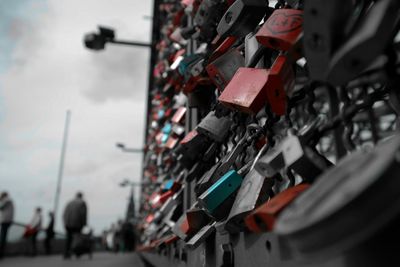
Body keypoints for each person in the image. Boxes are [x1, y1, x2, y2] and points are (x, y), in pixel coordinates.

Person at [63, 192, 87, 259]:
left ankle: (66, 253)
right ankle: (77, 252)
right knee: (77, 238)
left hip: (68, 223)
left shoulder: (69, 202)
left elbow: (64, 213)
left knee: (68, 239)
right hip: (77, 223)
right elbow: (83, 214)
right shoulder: (82, 203)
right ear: (81, 196)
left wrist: (65, 223)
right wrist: (84, 223)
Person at [0, 192, 14, 259]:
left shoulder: (6, 199)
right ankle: (2, 253)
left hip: (5, 220)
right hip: (8, 220)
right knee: (3, 237)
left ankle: (1, 254)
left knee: (2, 237)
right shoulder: (9, 200)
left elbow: (1, 206)